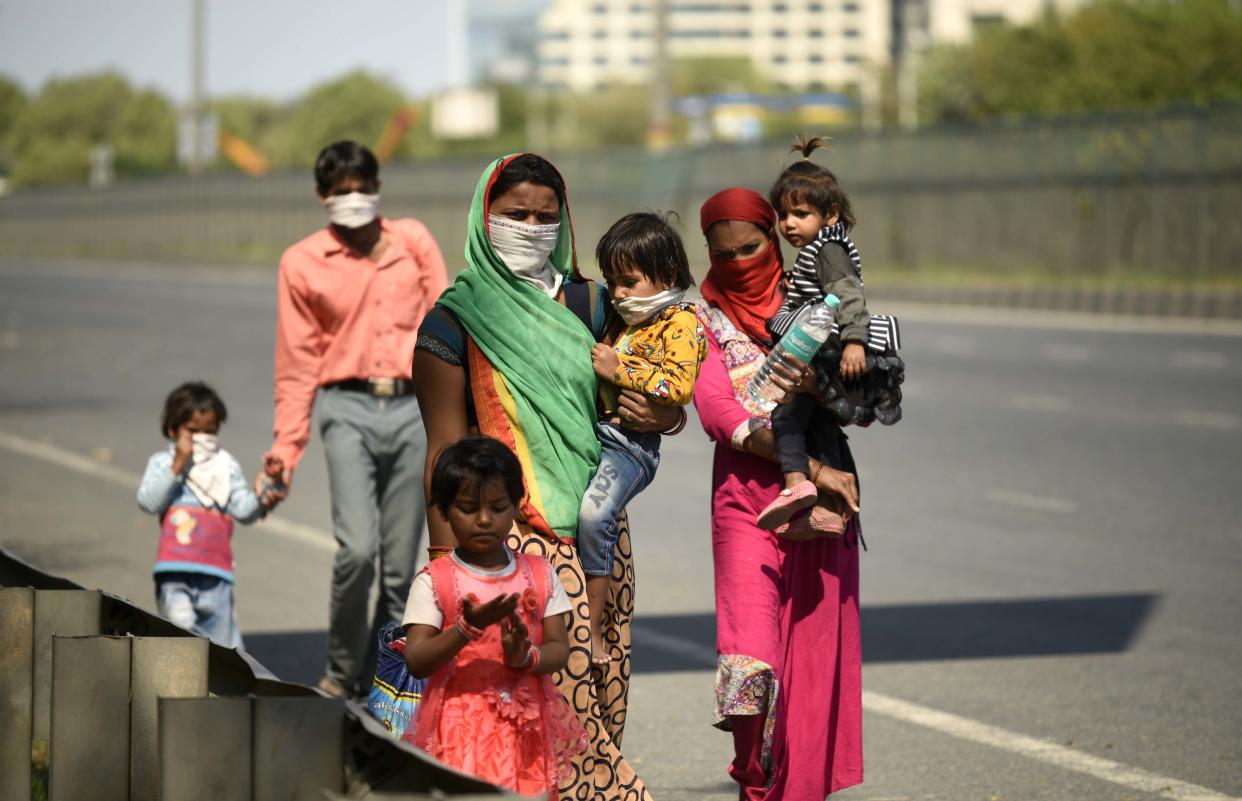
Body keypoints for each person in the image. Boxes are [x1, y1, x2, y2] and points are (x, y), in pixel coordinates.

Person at [413, 153, 679, 800]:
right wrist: (446, 568)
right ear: (484, 217)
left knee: (605, 688)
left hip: (600, 531)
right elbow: (443, 452)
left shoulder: (594, 303)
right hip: (514, 537)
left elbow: (656, 390)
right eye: (514, 215)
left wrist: (665, 411)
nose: (531, 227)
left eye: (544, 216)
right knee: (559, 707)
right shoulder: (453, 322)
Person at [693, 187, 864, 800]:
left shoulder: (816, 299)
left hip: (823, 515)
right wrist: (814, 468)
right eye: (724, 252)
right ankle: (756, 783)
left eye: (751, 246)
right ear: (707, 252)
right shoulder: (700, 319)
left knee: (813, 673)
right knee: (751, 662)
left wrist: (828, 386)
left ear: (775, 237)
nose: (739, 261)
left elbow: (865, 403)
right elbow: (722, 417)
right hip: (745, 507)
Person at [266, 140, 448, 698]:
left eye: (362, 187)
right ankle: (341, 673)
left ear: (377, 188)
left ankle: (385, 682)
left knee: (399, 569)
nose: (353, 198)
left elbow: (446, 326)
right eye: (341, 190)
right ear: (323, 196)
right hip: (346, 408)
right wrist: (284, 452)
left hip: (413, 408)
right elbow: (297, 364)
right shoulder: (301, 262)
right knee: (356, 552)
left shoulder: (411, 241)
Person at [401, 435, 587, 796]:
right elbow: (417, 660)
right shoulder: (435, 582)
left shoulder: (539, 574)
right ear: (442, 510)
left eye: (498, 507)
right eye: (469, 509)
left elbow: (558, 649)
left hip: (526, 728)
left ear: (517, 505)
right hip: (459, 730)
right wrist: (465, 628)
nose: (484, 520)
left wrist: (525, 656)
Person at [758, 135, 903, 530]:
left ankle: (795, 483)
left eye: (800, 214)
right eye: (783, 215)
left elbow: (850, 297)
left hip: (828, 352)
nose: (788, 224)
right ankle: (824, 509)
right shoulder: (816, 250)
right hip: (824, 350)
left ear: (831, 214)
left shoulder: (828, 251)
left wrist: (855, 342)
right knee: (817, 422)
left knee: (787, 416)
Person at [580, 212, 706, 664]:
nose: (618, 293)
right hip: (600, 433)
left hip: (631, 448)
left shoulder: (681, 324)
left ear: (667, 276)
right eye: (612, 282)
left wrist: (621, 370)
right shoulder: (620, 318)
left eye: (629, 281)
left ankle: (592, 628)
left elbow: (678, 387)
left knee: (595, 518)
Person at [137, 381, 284, 648]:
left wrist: (264, 497)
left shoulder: (225, 466)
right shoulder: (162, 463)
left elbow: (243, 509)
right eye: (193, 432)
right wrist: (178, 465)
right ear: (172, 430)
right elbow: (149, 502)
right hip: (174, 571)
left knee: (221, 646)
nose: (203, 439)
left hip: (216, 574)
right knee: (181, 634)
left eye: (210, 432)